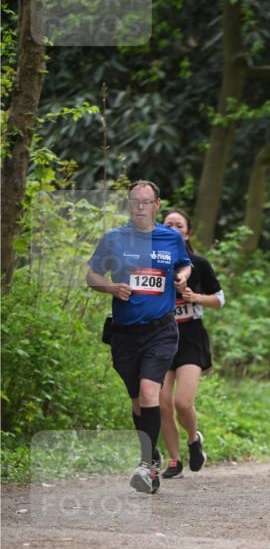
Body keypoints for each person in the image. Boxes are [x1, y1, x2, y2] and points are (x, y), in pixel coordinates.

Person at [86, 181, 191, 494]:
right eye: (135, 202)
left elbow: (184, 264)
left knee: (149, 392)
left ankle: (146, 465)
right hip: (124, 334)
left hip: (161, 329)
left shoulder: (170, 237)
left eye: (146, 202)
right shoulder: (114, 238)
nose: (140, 207)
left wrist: (182, 277)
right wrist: (111, 287)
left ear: (157, 204)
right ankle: (151, 454)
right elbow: (91, 275)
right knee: (137, 401)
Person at [159, 208, 225, 478]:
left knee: (183, 403)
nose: (173, 228)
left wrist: (195, 298)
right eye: (168, 224)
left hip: (190, 338)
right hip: (160, 337)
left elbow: (220, 300)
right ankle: (174, 461)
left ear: (187, 233)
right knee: (162, 403)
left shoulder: (199, 264)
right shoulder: (154, 264)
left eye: (179, 225)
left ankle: (193, 440)